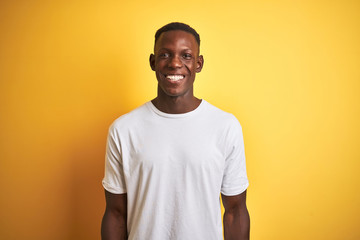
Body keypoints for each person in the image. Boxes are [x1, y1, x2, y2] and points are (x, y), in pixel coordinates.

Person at [101, 22, 250, 240]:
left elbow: (236, 211)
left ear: (198, 64)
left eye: (186, 55)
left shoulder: (225, 126)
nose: (175, 63)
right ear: (153, 62)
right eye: (165, 55)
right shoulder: (123, 130)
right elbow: (115, 213)